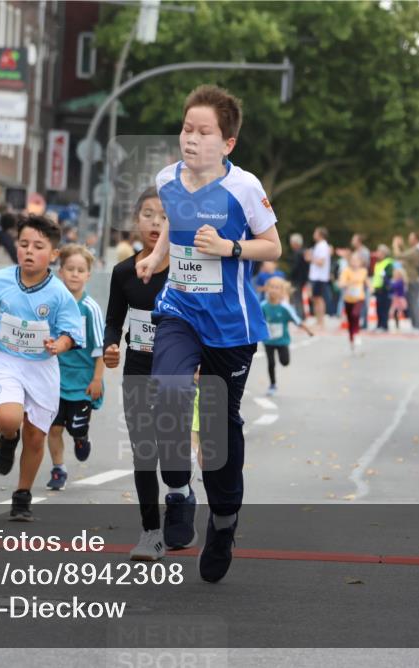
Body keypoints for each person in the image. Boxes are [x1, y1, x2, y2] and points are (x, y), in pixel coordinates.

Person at [134, 85, 281, 582]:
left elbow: (272, 246)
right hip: (179, 310)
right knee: (167, 396)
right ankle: (178, 492)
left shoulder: (244, 187)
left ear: (228, 144)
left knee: (218, 432)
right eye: (186, 129)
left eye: (204, 132)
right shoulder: (166, 179)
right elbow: (175, 233)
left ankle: (223, 522)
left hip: (230, 325)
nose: (191, 139)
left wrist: (229, 247)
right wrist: (155, 259)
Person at [0, 214, 85, 521]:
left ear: (53, 255)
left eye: (38, 246)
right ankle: (7, 438)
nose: (29, 251)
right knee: (8, 418)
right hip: (7, 360)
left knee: (37, 436)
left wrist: (60, 345)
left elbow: (72, 333)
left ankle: (22, 495)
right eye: (24, 244)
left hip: (42, 367)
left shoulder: (59, 294)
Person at [103, 186, 171, 561]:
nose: (156, 222)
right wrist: (111, 346)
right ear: (135, 220)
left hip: (177, 372)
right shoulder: (124, 272)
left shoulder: (185, 270)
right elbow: (114, 322)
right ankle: (151, 532)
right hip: (139, 370)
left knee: (172, 452)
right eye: (148, 214)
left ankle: (180, 497)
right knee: (144, 452)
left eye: (164, 215)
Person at [45, 244, 105, 491]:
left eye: (81, 270)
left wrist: (97, 380)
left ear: (88, 275)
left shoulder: (91, 309)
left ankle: (81, 438)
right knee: (54, 427)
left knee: (75, 427)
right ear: (61, 272)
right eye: (70, 269)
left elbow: (100, 348)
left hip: (82, 381)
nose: (75, 274)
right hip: (55, 378)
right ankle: (58, 469)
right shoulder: (54, 305)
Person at [261, 277, 311, 395]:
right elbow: (257, 320)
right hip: (268, 341)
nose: (273, 290)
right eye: (271, 287)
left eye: (276, 287)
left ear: (282, 291)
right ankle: (272, 384)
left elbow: (297, 320)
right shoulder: (263, 306)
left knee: (285, 362)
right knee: (271, 363)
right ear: (267, 289)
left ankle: (282, 363)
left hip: (282, 341)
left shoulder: (285, 308)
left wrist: (308, 330)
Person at [393, 232, 419, 330]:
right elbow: (405, 257)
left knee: (414, 302)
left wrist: (395, 245)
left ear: (416, 239)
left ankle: (417, 325)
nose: (409, 240)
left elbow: (399, 255)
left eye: (410, 238)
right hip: (413, 279)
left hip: (413, 279)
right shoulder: (416, 250)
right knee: (413, 302)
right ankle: (415, 324)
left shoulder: (416, 251)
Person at [338, 251, 368, 352]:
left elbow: (366, 281)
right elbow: (341, 284)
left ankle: (357, 334)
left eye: (357, 261)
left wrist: (371, 287)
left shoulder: (363, 271)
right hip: (348, 299)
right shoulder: (346, 271)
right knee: (350, 320)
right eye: (353, 261)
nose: (354, 263)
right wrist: (349, 283)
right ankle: (351, 339)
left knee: (356, 314)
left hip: (359, 298)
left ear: (360, 262)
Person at [307, 227, 331, 330]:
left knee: (318, 299)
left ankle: (321, 322)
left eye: (315, 232)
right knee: (316, 298)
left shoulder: (322, 246)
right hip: (317, 276)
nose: (314, 234)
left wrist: (310, 258)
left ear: (320, 234)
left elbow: (321, 262)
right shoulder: (319, 245)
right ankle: (318, 321)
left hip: (319, 276)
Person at [371, 244, 393, 331]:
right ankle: (379, 324)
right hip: (378, 288)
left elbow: (388, 276)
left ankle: (384, 325)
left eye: (378, 251)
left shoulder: (388, 263)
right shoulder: (377, 263)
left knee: (384, 308)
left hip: (385, 289)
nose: (377, 253)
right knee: (378, 308)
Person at [286, 233, 309, 317]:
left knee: (296, 298)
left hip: (296, 279)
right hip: (303, 279)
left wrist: (289, 276)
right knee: (300, 297)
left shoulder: (297, 253)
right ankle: (302, 315)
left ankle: (299, 315)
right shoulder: (304, 252)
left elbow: (295, 267)